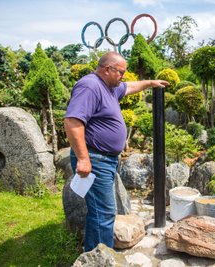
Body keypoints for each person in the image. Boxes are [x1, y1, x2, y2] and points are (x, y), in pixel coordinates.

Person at [64, 51, 169, 252]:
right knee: (104, 213)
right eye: (120, 72)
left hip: (106, 159)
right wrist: (83, 159)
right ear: (107, 69)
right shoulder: (90, 86)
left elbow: (130, 87)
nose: (123, 76)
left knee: (101, 211)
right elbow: (72, 121)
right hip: (95, 159)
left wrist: (150, 83)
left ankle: (96, 255)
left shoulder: (110, 87)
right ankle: (99, 259)